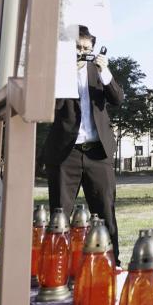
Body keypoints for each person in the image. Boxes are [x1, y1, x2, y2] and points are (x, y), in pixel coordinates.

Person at [43, 26, 124, 261]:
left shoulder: (98, 72)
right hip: (65, 153)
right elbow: (52, 109)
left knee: (106, 212)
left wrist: (105, 70)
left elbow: (118, 99)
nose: (82, 52)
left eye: (87, 48)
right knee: (59, 214)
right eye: (77, 47)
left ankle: (111, 263)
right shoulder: (57, 72)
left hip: (97, 152)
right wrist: (67, 74)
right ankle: (58, 269)